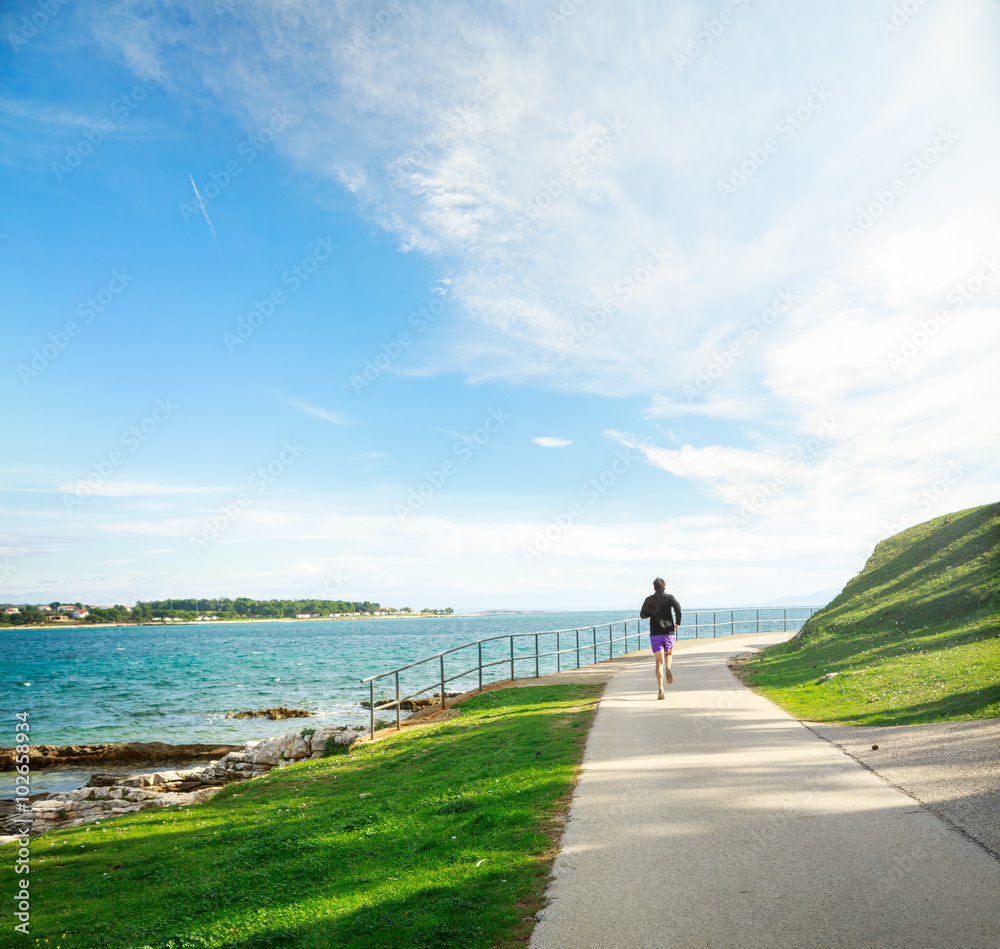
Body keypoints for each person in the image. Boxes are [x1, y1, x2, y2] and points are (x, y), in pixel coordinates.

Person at [640, 578, 681, 699]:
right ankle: (668, 666)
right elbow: (678, 607)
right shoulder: (669, 598)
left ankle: (661, 689)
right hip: (668, 632)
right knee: (668, 654)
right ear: (664, 587)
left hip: (655, 634)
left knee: (658, 663)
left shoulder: (649, 600)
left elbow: (642, 615)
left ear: (654, 588)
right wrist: (678, 622)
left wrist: (651, 613)